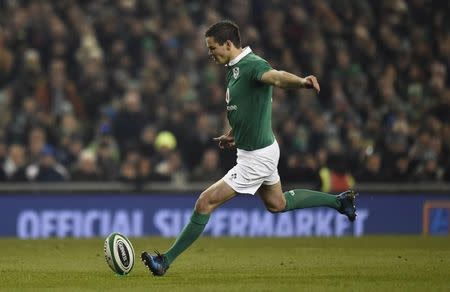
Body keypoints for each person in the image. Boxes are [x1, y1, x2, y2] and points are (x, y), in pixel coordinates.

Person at [141, 20, 357, 276]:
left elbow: (276, 77)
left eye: (212, 48)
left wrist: (302, 82)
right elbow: (247, 107)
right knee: (277, 203)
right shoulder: (234, 69)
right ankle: (339, 202)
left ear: (228, 44)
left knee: (205, 202)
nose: (210, 54)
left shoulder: (253, 64)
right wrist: (234, 134)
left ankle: (165, 261)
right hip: (258, 148)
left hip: (256, 157)